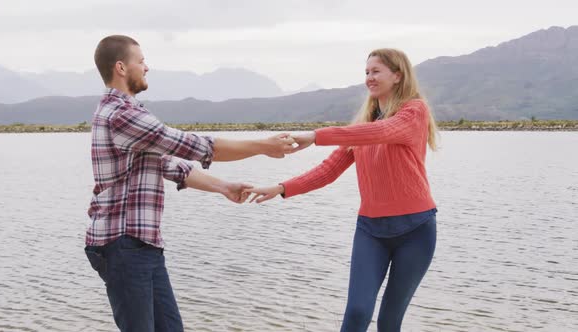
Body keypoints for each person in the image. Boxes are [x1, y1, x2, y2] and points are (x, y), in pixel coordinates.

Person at [84, 35, 295, 332]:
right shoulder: (122, 114)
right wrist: (262, 145)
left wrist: (222, 186)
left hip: (142, 245)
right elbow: (192, 145)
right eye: (141, 61)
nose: (147, 67)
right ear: (121, 67)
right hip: (123, 245)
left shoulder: (130, 113)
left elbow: (171, 165)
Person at [245, 48, 440, 331]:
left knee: (389, 321)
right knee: (357, 312)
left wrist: (315, 136)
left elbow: (382, 132)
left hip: (416, 230)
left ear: (397, 76)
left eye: (376, 71)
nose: (369, 78)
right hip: (371, 231)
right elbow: (328, 170)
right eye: (366, 72)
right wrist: (281, 188)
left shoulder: (413, 112)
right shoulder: (363, 127)